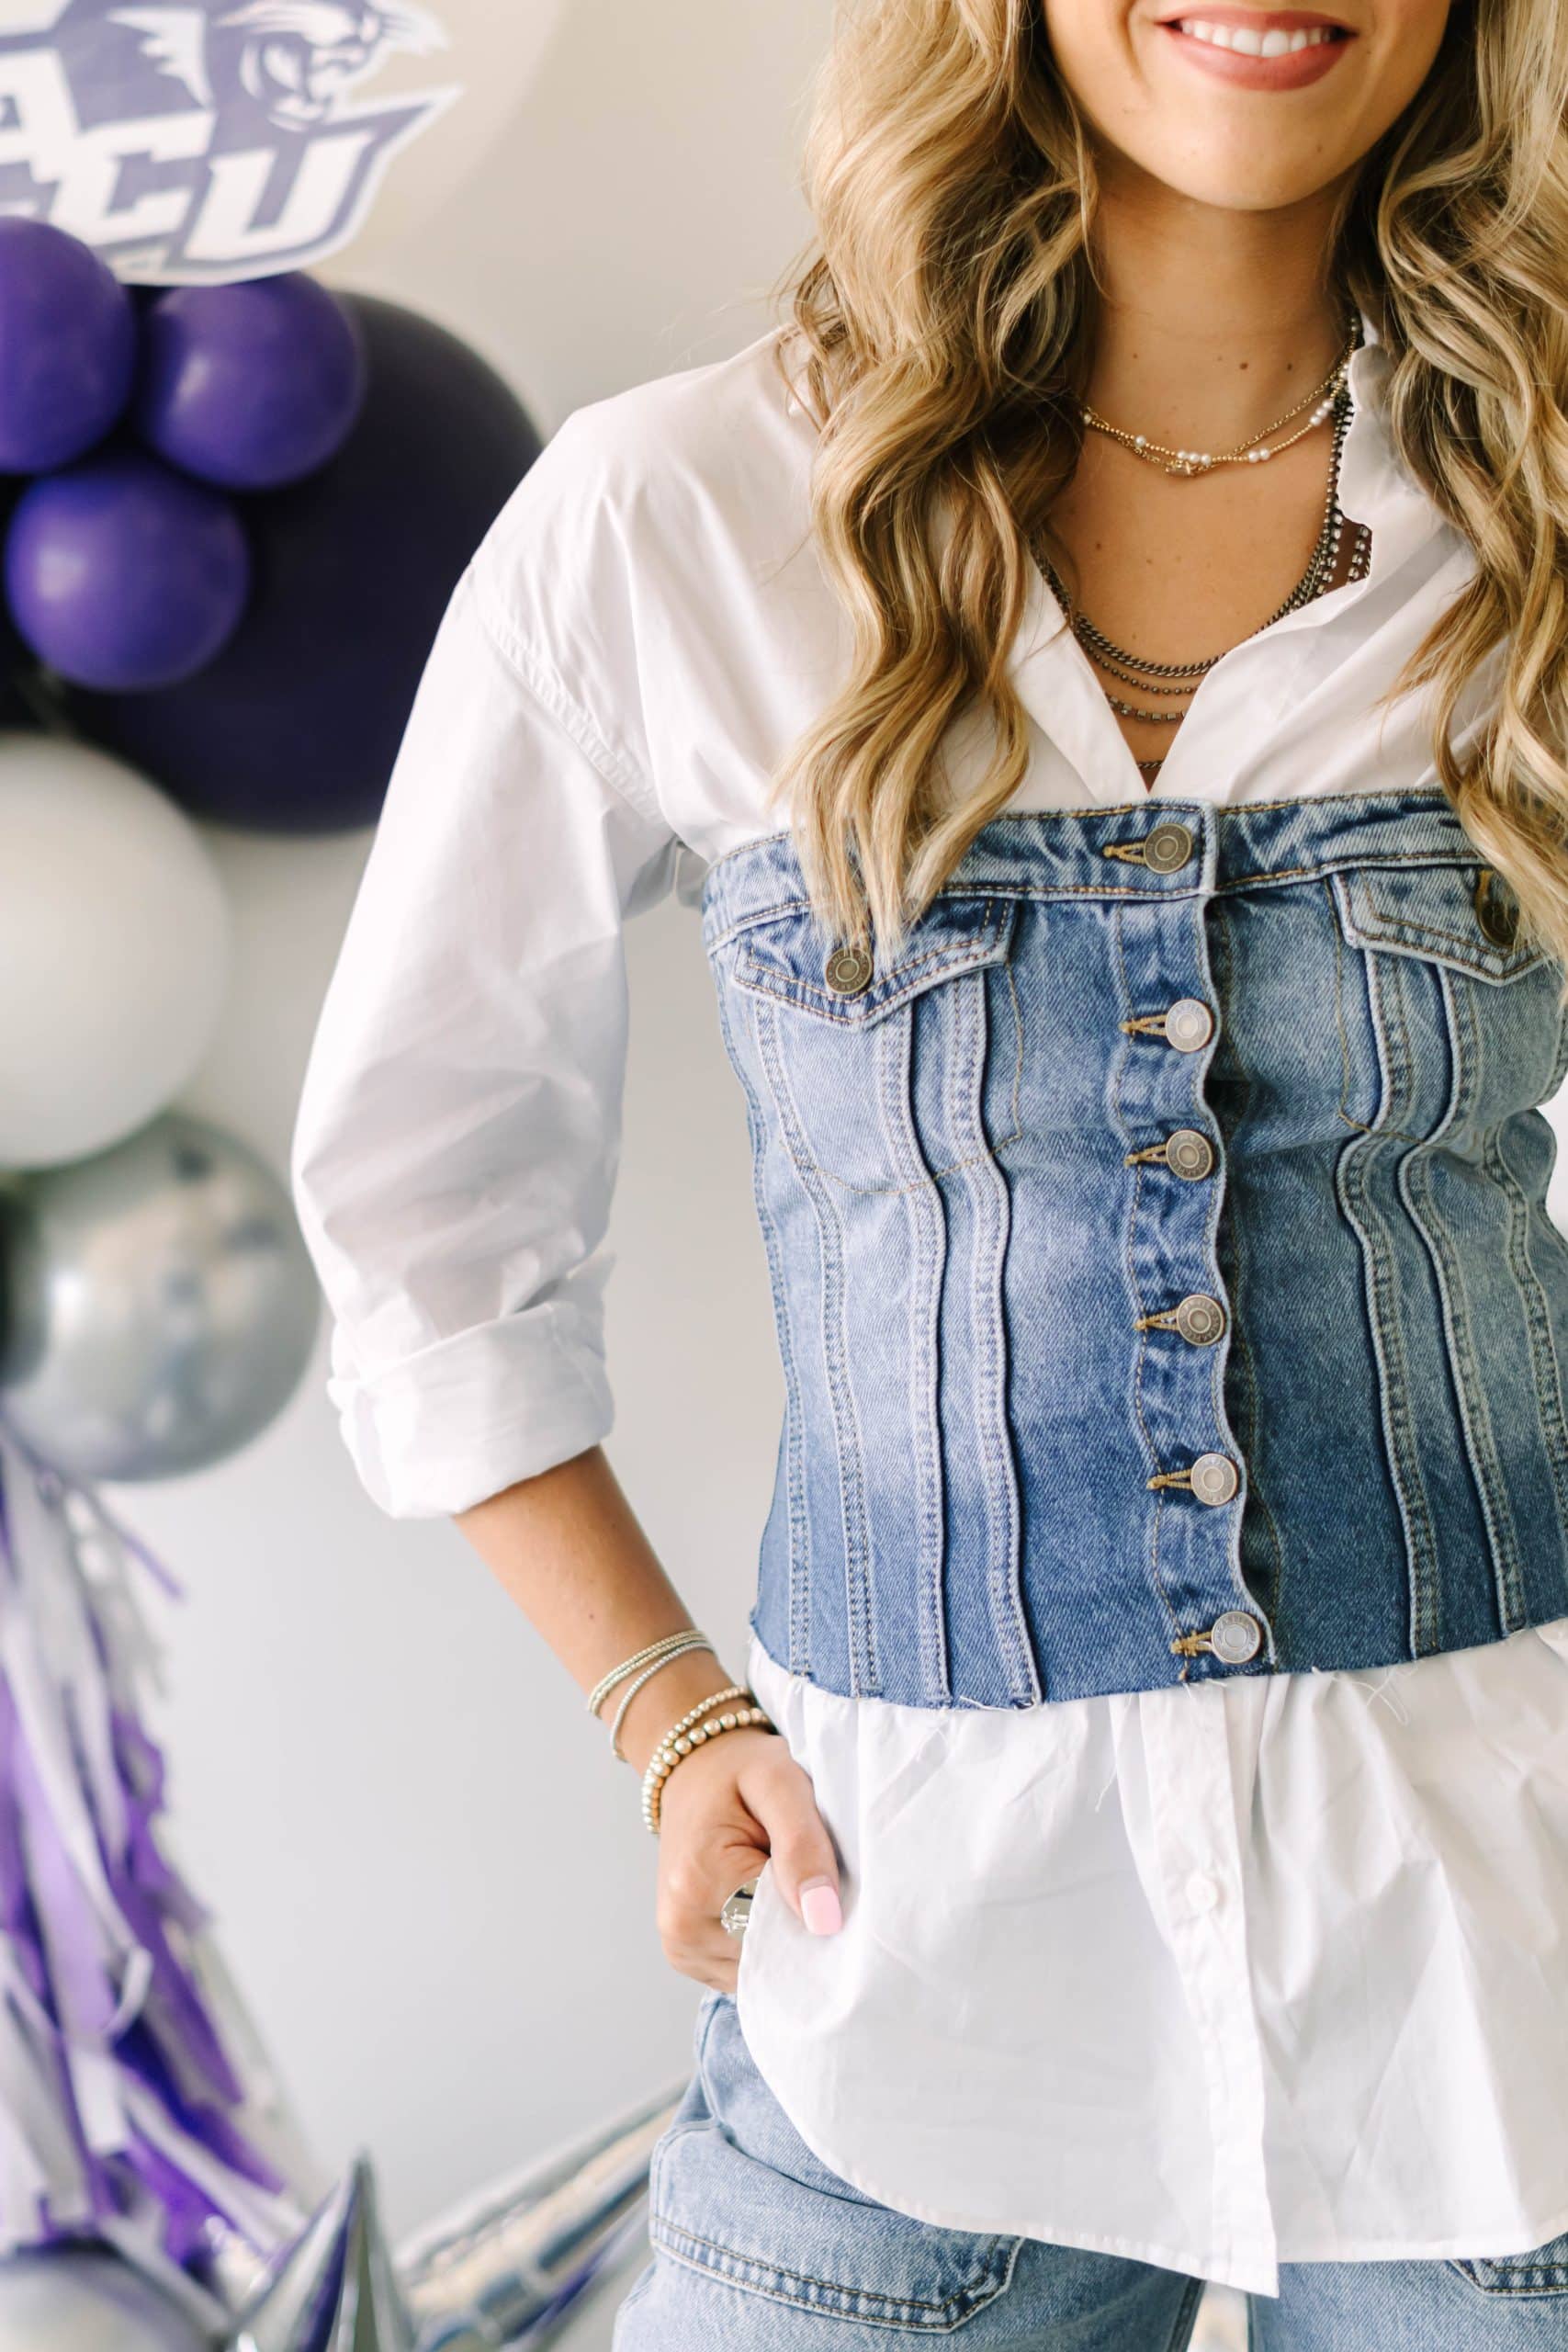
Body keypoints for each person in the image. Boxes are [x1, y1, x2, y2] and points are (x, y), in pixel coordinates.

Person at [289, 2, 1568, 2345]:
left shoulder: (1541, 514)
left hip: (1498, 2018)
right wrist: (666, 1707)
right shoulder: (678, 513)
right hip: (908, 1998)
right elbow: (420, 1185)